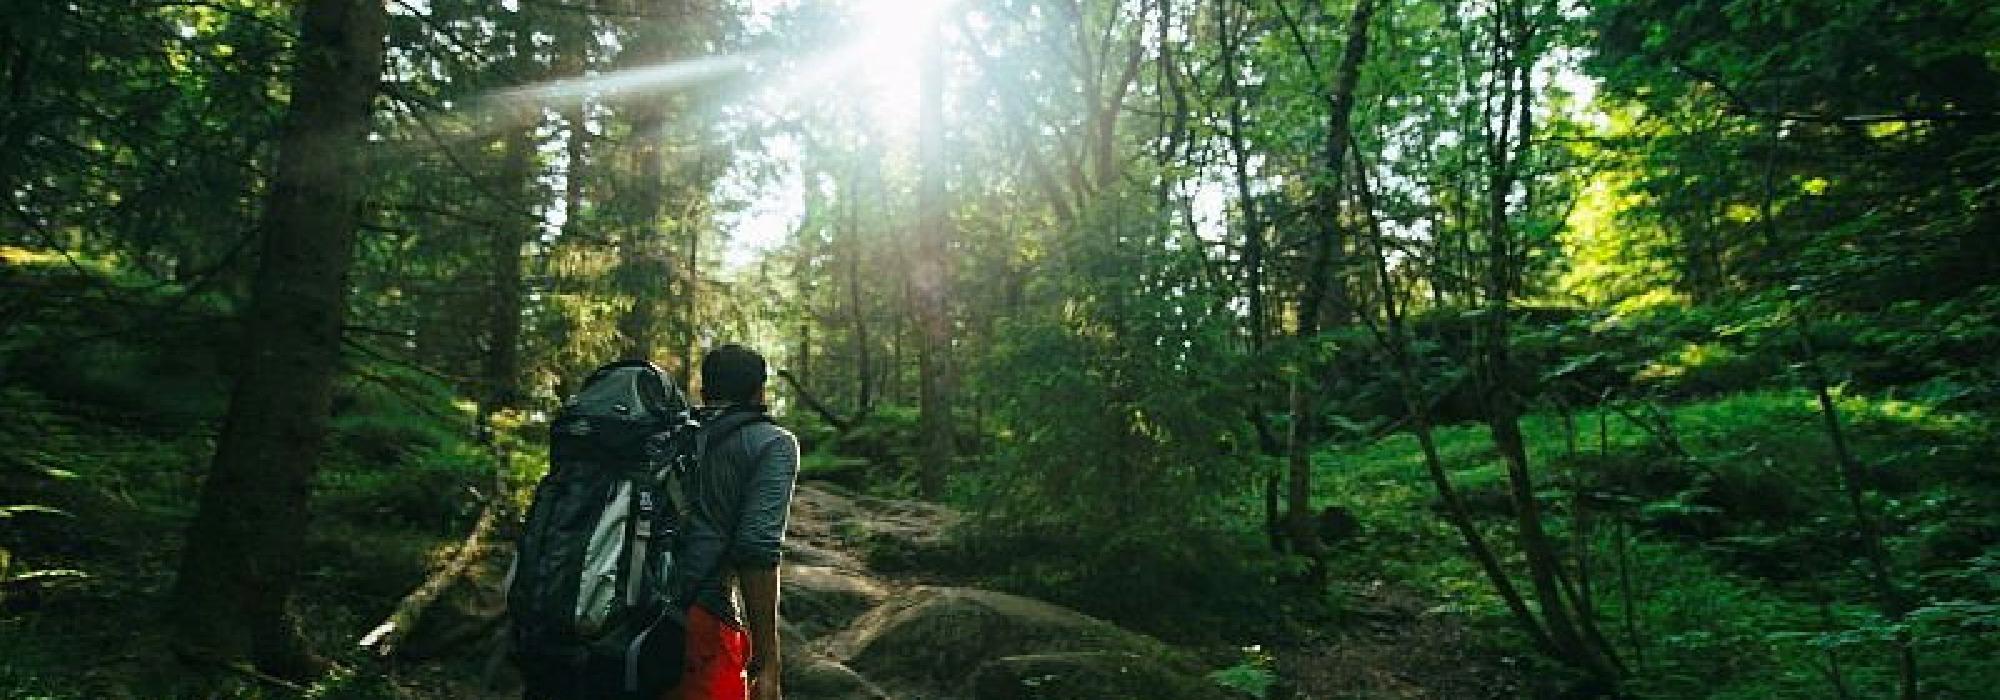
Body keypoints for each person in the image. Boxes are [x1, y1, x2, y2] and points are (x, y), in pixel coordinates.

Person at [666, 344, 799, 700]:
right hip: (700, 621)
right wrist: (768, 663)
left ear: (704, 391)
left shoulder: (670, 436)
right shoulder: (772, 443)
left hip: (634, 616)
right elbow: (756, 550)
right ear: (759, 391)